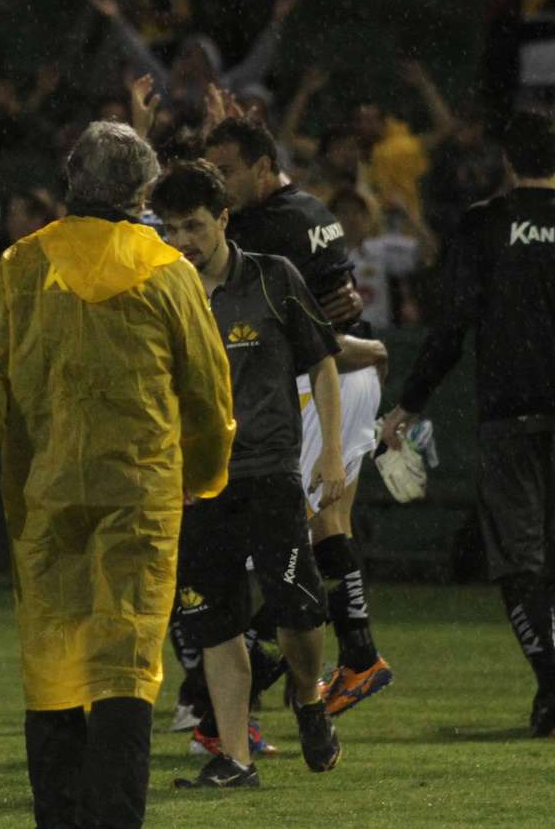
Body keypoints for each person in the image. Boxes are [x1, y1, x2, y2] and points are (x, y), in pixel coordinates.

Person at [0, 122, 234, 829]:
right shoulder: (169, 271)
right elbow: (208, 390)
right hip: (140, 493)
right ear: (141, 192)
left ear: (71, 179)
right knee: (126, 665)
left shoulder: (22, 265)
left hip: (44, 494)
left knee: (54, 667)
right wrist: (206, 473)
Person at [150, 162, 346, 790]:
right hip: (196, 485)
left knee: (298, 610)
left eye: (195, 226)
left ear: (224, 219)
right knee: (214, 622)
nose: (182, 240)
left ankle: (309, 702)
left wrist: (332, 450)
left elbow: (323, 364)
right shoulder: (161, 290)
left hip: (268, 474)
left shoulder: (272, 278)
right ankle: (236, 759)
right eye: (171, 227)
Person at [205, 115, 395, 715]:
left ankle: (265, 674)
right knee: (325, 530)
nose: (219, 184)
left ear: (263, 167)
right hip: (351, 373)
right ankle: (349, 659)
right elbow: (331, 302)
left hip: (327, 378)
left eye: (227, 171)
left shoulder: (266, 227)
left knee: (298, 540)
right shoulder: (312, 209)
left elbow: (293, 322)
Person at [383, 108, 555, 738]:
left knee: (518, 560)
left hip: (509, 415)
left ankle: (551, 682)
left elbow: (451, 329)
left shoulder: (485, 226)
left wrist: (408, 404)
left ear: (508, 159)